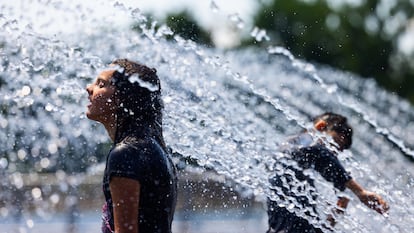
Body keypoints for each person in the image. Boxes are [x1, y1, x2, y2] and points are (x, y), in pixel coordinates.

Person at [86, 59, 177, 233]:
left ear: (122, 97)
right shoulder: (152, 147)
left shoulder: (126, 154)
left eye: (101, 84)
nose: (89, 88)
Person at [266, 112, 389, 233]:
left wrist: (337, 212)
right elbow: (318, 152)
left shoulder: (298, 171)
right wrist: (359, 191)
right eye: (334, 145)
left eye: (338, 151)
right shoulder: (298, 146)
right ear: (320, 126)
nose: (334, 154)